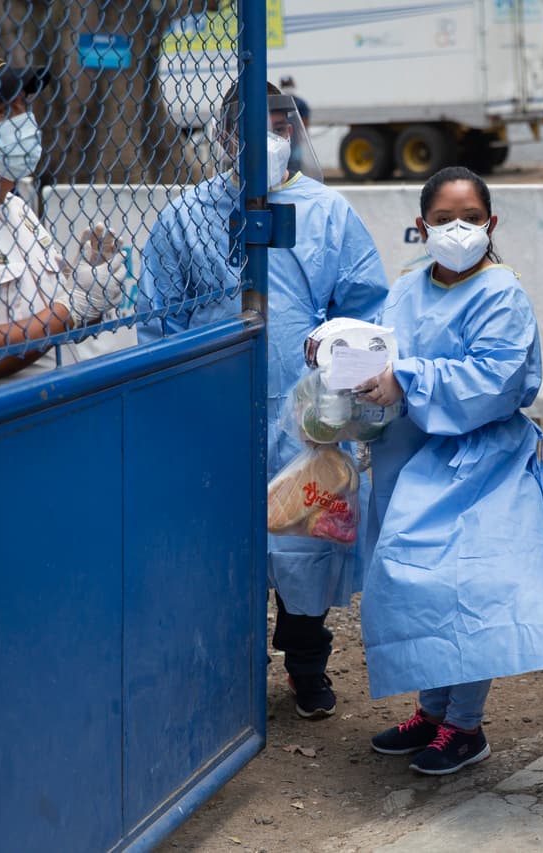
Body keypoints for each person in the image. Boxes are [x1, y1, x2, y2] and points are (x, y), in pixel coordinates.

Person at [138, 82, 388, 719]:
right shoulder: (186, 215)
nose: (273, 136)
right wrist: (178, 407)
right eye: (256, 125)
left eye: (283, 123)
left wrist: (344, 398)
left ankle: (306, 664)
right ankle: (230, 669)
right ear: (223, 136)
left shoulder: (327, 213)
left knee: (307, 538)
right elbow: (156, 318)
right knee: (220, 543)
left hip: (306, 412)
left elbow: (362, 309)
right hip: (212, 409)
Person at [355, 166, 543, 776]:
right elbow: (384, 350)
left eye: (470, 218)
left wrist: (405, 379)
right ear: (421, 227)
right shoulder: (409, 287)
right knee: (419, 582)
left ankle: (466, 725)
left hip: (479, 460)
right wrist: (342, 358)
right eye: (443, 220)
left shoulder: (501, 294)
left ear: (491, 224)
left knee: (467, 588)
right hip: (413, 456)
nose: (457, 229)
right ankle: (432, 711)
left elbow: (492, 381)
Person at [0, 46, 125, 398]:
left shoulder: (14, 207)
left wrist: (90, 294)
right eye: (3, 112)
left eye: (23, 108)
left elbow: (50, 322)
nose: (23, 123)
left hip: (56, 414)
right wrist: (73, 308)